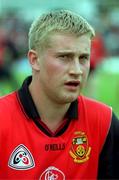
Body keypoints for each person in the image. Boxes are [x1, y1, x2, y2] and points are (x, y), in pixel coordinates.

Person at [0, 9, 119, 179]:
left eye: (83, 58)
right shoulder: (2, 119)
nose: (77, 70)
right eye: (64, 57)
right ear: (34, 60)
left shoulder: (104, 121)